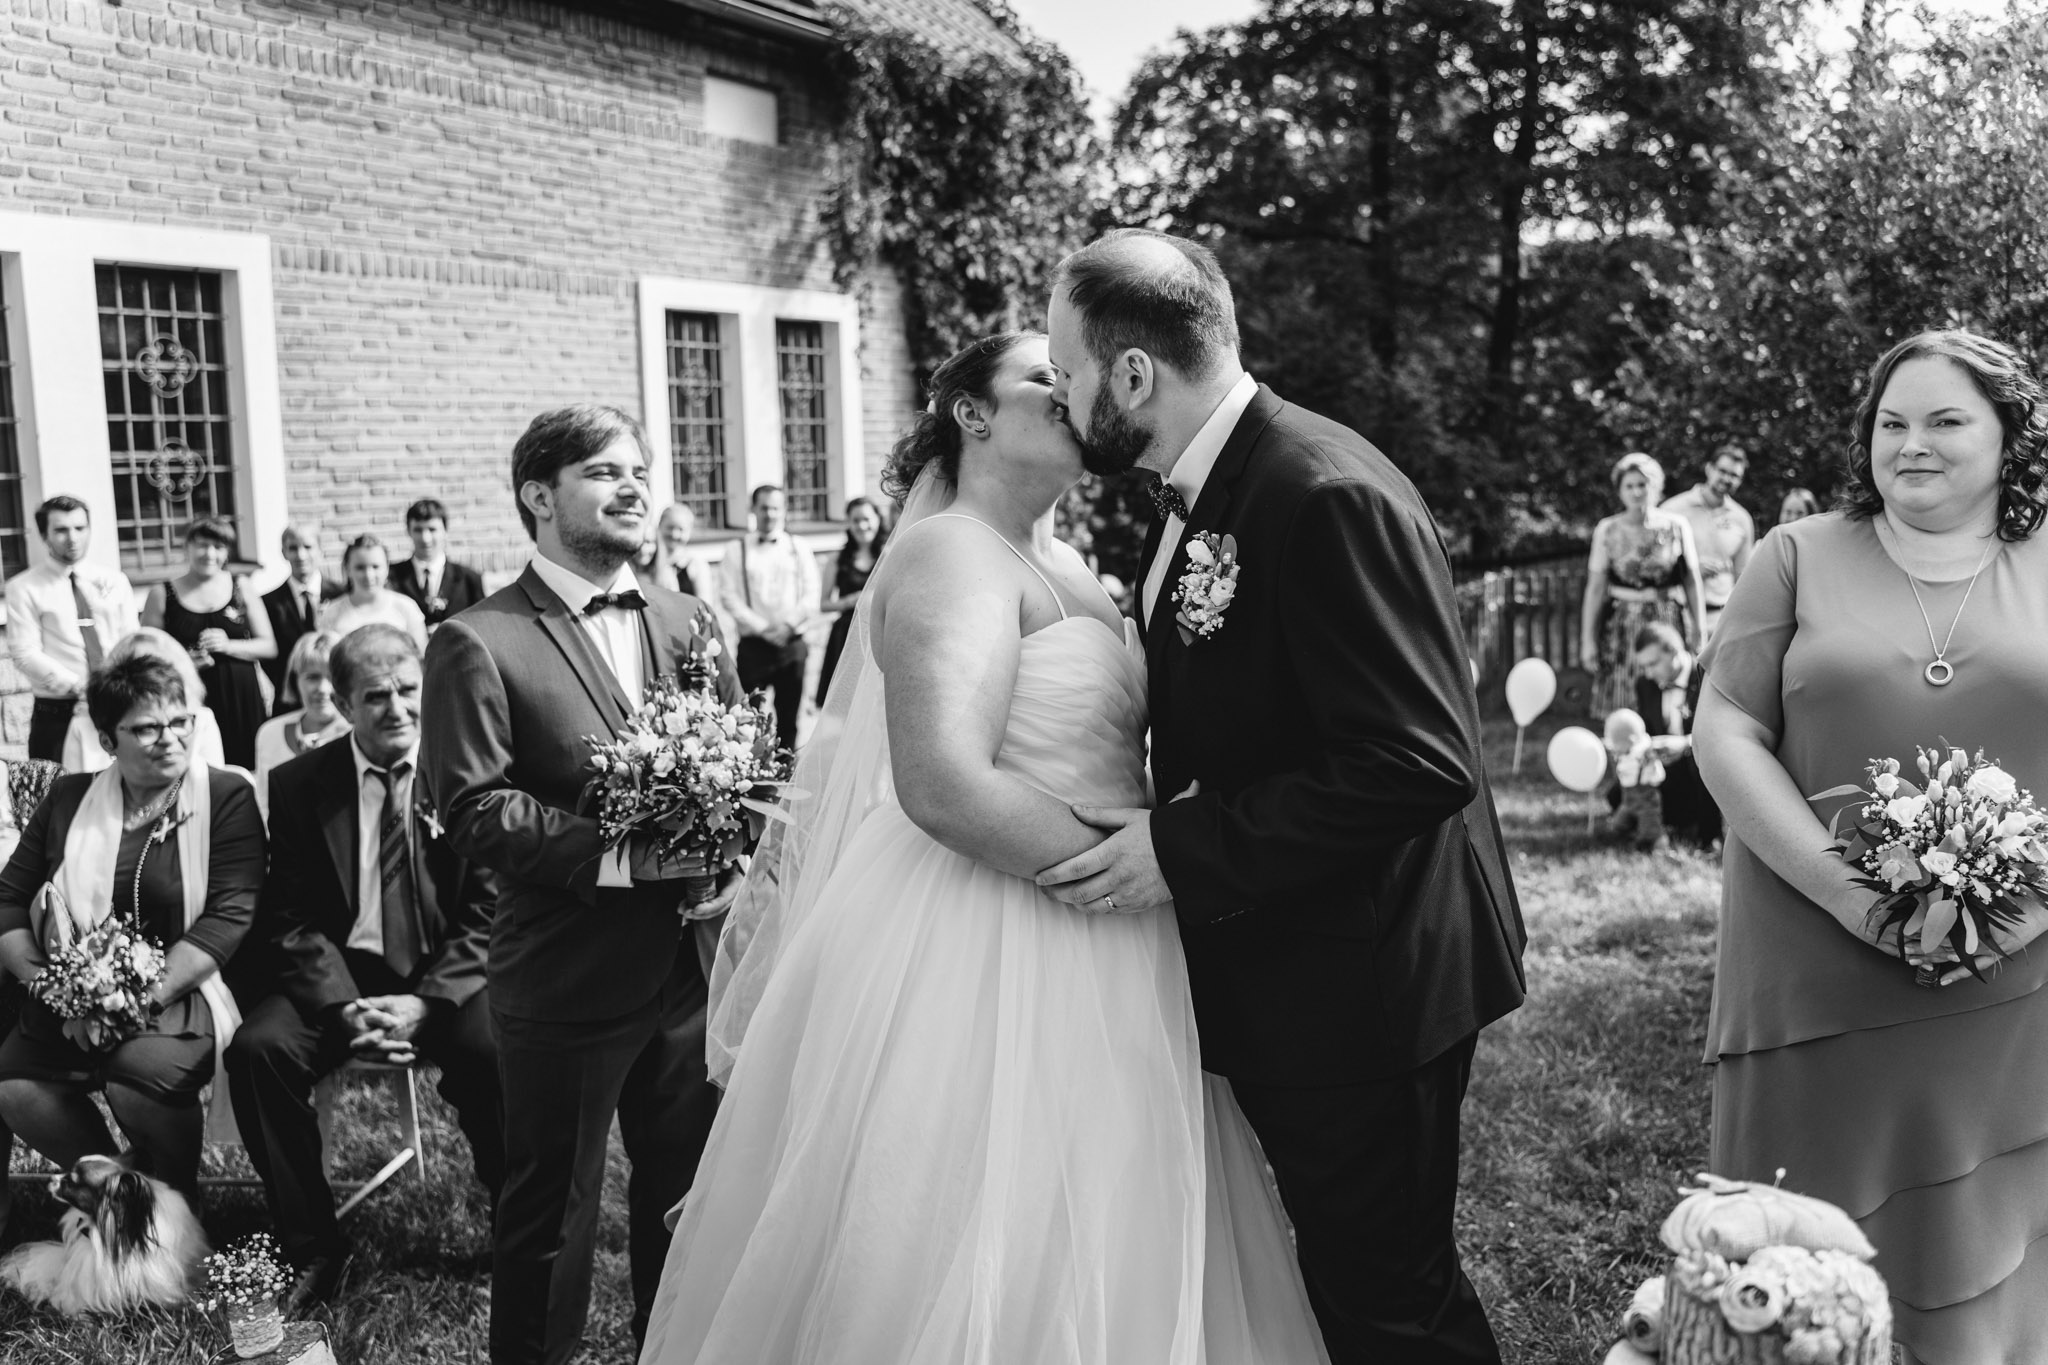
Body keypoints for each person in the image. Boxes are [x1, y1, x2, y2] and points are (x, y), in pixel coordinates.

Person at [641, 331, 1331, 1365]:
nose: (1071, 390)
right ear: (970, 413)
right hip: (987, 927)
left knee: (1112, 1201)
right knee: (972, 1217)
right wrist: (1141, 864)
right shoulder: (949, 552)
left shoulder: (1075, 569)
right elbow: (942, 784)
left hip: (1110, 923)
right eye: (1043, 377)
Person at [1037, 229, 1526, 1363]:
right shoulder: (1204, 488)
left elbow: (1416, 759)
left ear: (1133, 374)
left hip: (1367, 979)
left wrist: (1182, 847)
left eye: (1065, 370)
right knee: (1347, 1281)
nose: (1060, 397)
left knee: (1390, 1300)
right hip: (1297, 959)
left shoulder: (1320, 491)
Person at [1694, 328, 2048, 1364]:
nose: (1911, 443)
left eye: (1945, 420)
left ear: (2010, 435)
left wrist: (2028, 909)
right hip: (1811, 957)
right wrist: (1848, 894)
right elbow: (1725, 727)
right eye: (1891, 422)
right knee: (1794, 1274)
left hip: (2019, 981)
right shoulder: (1794, 554)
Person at [420, 405, 739, 1365]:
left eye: (639, 470)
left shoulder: (690, 620)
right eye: (604, 472)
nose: (633, 486)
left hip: (689, 969)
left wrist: (731, 857)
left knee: (686, 1200)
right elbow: (471, 807)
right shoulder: (477, 638)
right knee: (551, 1217)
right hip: (565, 974)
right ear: (538, 495)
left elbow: (743, 771)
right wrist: (622, 857)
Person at [226, 625, 503, 1312]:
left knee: (495, 1049)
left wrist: (428, 1002)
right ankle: (311, 1246)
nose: (397, 708)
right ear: (343, 703)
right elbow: (289, 916)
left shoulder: (468, 769)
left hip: (446, 972)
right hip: (340, 973)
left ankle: (515, 1227)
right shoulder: (299, 784)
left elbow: (492, 908)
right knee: (259, 1050)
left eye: (408, 690)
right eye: (376, 696)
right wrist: (345, 1006)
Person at [0, 655, 264, 1198]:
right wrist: (53, 988)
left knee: (136, 1076)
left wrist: (132, 1002)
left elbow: (228, 917)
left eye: (181, 721)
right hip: (71, 996)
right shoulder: (68, 798)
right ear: (106, 740)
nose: (171, 739)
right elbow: (7, 900)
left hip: (184, 989)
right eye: (147, 728)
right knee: (16, 1084)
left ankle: (176, 1201)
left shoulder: (226, 795)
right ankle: (119, 1193)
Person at [5, 496, 139, 764]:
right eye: (61, 530)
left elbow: (131, 640)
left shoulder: (114, 580)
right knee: (60, 787)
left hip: (117, 705)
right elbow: (24, 653)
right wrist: (81, 687)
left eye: (80, 528)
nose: (72, 538)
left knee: (122, 785)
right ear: (44, 535)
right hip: (59, 712)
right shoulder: (24, 588)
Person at [144, 516, 277, 772]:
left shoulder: (241, 586)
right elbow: (148, 657)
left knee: (250, 769)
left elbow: (269, 646)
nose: (210, 554)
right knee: (200, 770)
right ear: (187, 547)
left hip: (242, 699)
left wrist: (229, 645)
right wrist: (185, 663)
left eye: (218, 547)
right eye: (202, 545)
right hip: (193, 700)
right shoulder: (162, 594)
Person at [1579, 453, 1705, 718]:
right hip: (1621, 624)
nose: (1636, 492)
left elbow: (1692, 582)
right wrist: (1587, 640)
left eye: (1642, 484)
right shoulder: (1607, 529)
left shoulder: (1676, 526)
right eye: (1629, 486)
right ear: (1620, 491)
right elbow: (1595, 588)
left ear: (1655, 486)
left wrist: (1699, 630)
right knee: (1622, 700)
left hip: (1667, 620)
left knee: (1669, 695)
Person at [717, 484, 819, 751]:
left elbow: (811, 594)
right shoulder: (736, 549)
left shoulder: (799, 547)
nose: (769, 514)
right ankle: (752, 770)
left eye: (775, 508)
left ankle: (787, 770)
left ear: (784, 510)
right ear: (753, 509)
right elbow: (728, 596)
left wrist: (787, 627)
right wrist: (763, 628)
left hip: (792, 645)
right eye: (764, 508)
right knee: (747, 719)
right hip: (754, 648)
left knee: (789, 719)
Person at [1616, 621, 1718, 848]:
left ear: (1673, 651)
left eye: (1652, 664)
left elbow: (1721, 734)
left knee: (1699, 762)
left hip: (1702, 767)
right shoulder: (1645, 684)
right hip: (1664, 770)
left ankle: (1708, 837)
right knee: (1618, 790)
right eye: (1644, 667)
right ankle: (1664, 823)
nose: (1648, 673)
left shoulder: (1709, 676)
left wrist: (1684, 744)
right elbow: (1646, 729)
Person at [250, 632, 352, 817]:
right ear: (294, 680)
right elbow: (264, 806)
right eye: (312, 677)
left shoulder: (358, 733)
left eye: (332, 677)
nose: (323, 689)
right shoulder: (270, 733)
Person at [1662, 444, 1756, 640]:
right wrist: (1691, 571)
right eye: (1722, 471)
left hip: (1722, 619)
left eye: (1734, 475)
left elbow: (1743, 578)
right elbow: (1658, 567)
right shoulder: (1672, 509)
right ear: (1709, 469)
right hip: (1679, 614)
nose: (1727, 479)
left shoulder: (1742, 519)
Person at [260, 525, 345, 710]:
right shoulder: (268, 603)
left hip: (337, 697)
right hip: (289, 699)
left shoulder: (341, 595)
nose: (301, 555)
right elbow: (269, 658)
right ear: (283, 552)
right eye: (293, 548)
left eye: (307, 547)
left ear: (320, 549)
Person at [813, 495, 886, 702]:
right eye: (855, 520)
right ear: (848, 523)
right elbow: (824, 604)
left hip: (878, 634)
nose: (861, 526)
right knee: (844, 700)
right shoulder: (837, 559)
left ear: (877, 520)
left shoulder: (889, 555)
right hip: (846, 635)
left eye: (866, 519)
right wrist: (850, 601)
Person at [319, 535, 429, 654]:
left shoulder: (407, 608)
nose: (369, 575)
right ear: (348, 569)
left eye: (375, 567)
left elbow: (422, 657)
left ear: (387, 568)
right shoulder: (332, 613)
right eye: (360, 568)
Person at [388, 499, 486, 631]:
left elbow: (481, 626)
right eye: (418, 530)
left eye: (432, 529)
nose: (425, 538)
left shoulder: (469, 579)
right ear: (408, 531)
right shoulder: (392, 577)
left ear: (445, 530)